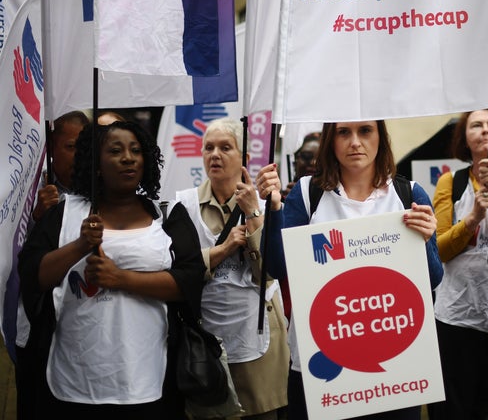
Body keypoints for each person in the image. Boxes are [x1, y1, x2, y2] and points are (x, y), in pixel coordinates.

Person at [257, 120, 443, 420]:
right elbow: (277, 267)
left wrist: (424, 241)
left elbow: (432, 279)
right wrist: (274, 210)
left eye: (365, 131)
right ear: (331, 139)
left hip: (393, 370)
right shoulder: (307, 194)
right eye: (344, 132)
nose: (355, 142)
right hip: (323, 370)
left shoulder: (409, 193)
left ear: (380, 137)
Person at [18, 121, 206, 418]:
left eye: (135, 150)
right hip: (73, 382)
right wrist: (80, 245)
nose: (128, 158)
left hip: (147, 381)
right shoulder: (63, 214)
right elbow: (32, 276)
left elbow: (189, 281)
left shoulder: (168, 216)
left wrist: (121, 278)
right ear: (95, 164)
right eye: (115, 151)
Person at [175, 117, 290, 420]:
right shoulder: (183, 206)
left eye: (226, 147)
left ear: (244, 159)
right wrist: (222, 250)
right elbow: (180, 272)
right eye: (208, 147)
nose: (215, 155)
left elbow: (268, 272)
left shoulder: (269, 206)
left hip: (259, 342)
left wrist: (254, 212)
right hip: (206, 344)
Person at [430, 108, 488, 419]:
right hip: (457, 312)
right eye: (476, 125)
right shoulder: (450, 182)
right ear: (464, 139)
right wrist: (472, 219)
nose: (485, 130)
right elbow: (439, 248)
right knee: (455, 401)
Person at [15, 110, 89, 419]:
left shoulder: (100, 192)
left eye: (85, 147)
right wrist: (35, 220)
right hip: (36, 327)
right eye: (71, 146)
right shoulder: (27, 191)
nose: (79, 155)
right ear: (51, 148)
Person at [281, 132, 321, 198]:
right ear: (296, 161)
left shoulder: (335, 200)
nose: (313, 163)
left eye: (320, 160)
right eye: (306, 156)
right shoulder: (280, 199)